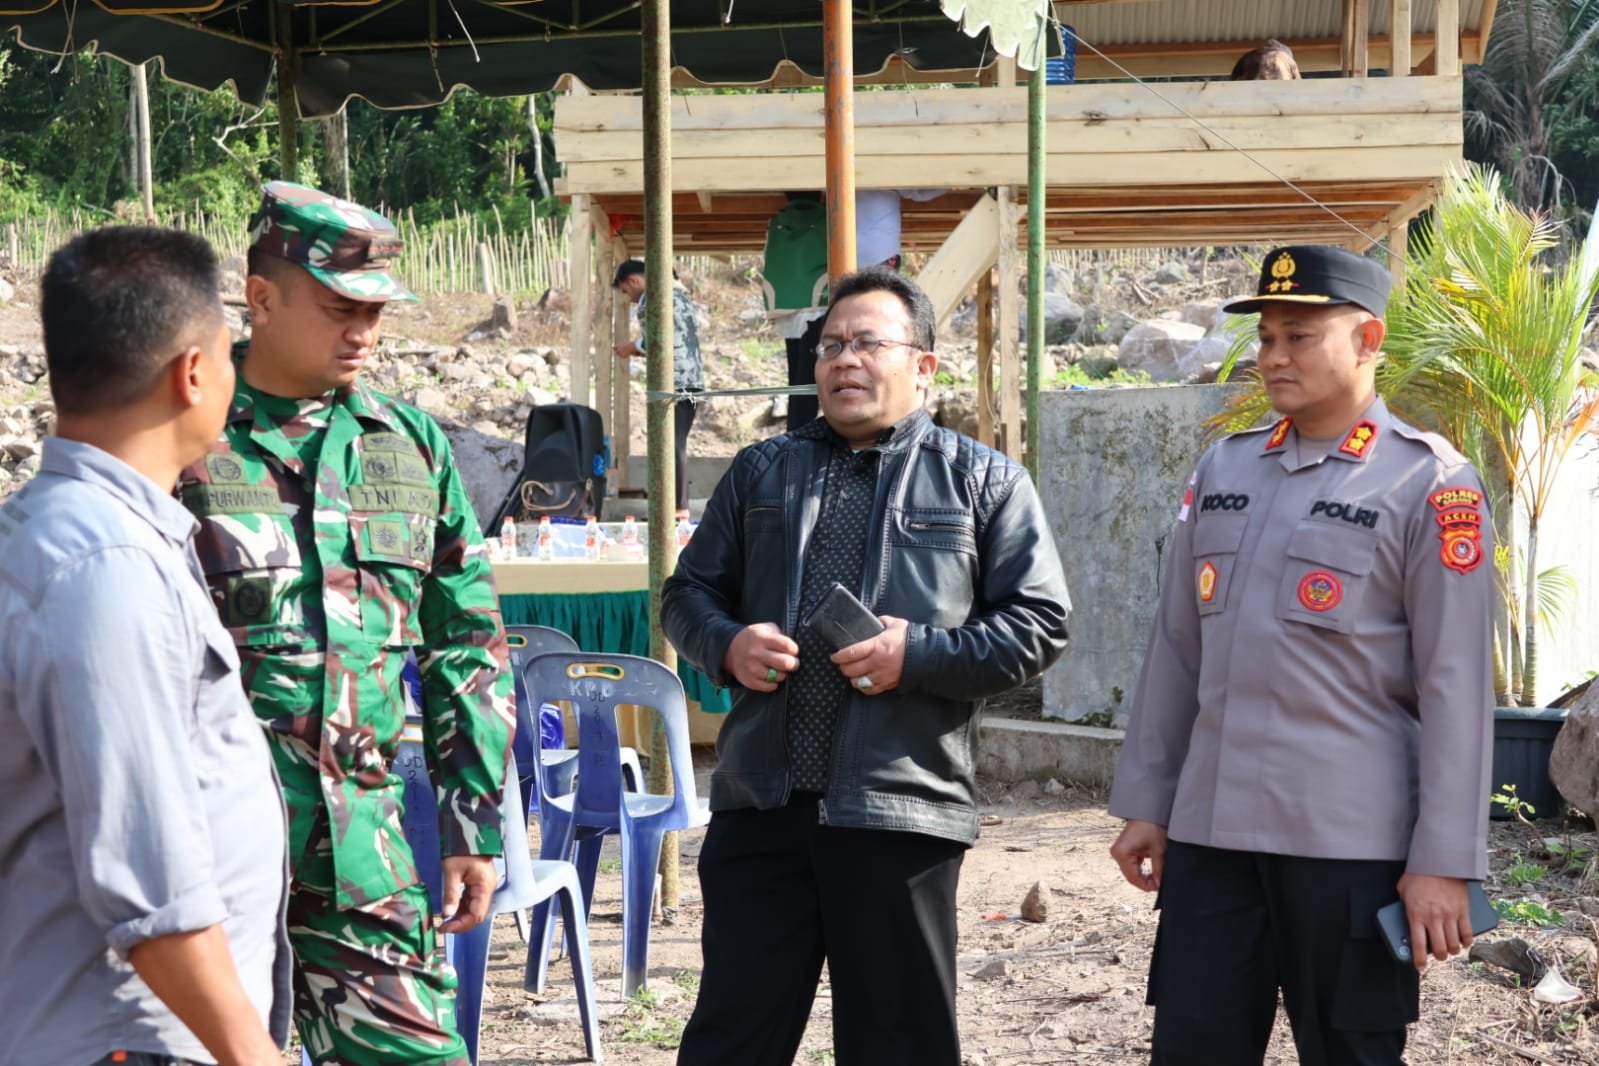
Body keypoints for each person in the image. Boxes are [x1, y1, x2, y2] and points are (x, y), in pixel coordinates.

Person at [663, 266, 1071, 1066]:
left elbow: (1038, 625)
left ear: (923, 364)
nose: (844, 360)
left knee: (898, 1042)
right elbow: (686, 595)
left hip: (900, 811)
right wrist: (728, 644)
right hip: (761, 805)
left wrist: (916, 654)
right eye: (830, 346)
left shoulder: (983, 480)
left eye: (867, 343)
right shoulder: (761, 470)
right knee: (732, 1037)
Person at [1107, 245, 1495, 1065]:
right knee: (1192, 1048)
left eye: (1299, 336)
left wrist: (1442, 860)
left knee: (1350, 1053)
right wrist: (1149, 801)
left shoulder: (1428, 484)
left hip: (1348, 846)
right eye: (1265, 338)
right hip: (1212, 839)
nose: (1273, 357)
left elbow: (1454, 687)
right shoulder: (1224, 466)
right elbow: (1176, 648)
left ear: (1367, 339)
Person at [175, 182, 515, 1066]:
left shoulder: (410, 446)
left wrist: (472, 826)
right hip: (202, 856)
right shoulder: (179, 434)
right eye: (339, 309)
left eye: (375, 312)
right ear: (261, 298)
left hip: (361, 851)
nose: (364, 332)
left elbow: (467, 646)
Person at [0, 225, 290, 1065]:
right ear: (193, 372)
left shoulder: (81, 536)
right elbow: (150, 882)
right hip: (126, 1039)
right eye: (230, 353)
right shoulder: (103, 568)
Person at [613, 257, 704, 513]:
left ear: (634, 280)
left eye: (626, 291)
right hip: (689, 378)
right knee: (673, 442)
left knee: (672, 443)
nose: (630, 298)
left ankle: (678, 508)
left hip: (675, 381)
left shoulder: (656, 298)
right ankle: (674, 505)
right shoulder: (678, 294)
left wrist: (633, 346)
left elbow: (662, 338)